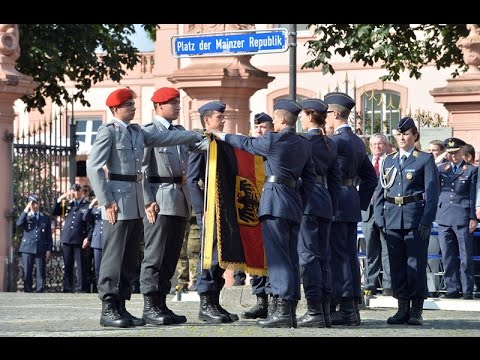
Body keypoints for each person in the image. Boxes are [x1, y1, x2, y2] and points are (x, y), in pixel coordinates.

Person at [86, 88, 203, 328]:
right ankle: (108, 307)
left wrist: (195, 135)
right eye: (128, 104)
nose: (132, 107)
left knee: (129, 257)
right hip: (117, 200)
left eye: (133, 103)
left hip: (135, 199)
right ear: (115, 109)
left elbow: (167, 139)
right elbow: (94, 167)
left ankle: (122, 307)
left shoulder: (137, 132)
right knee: (114, 256)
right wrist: (106, 200)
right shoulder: (108, 132)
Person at [210, 99, 316, 328]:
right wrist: (300, 201)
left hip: (275, 202)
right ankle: (288, 309)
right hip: (293, 204)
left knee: (278, 260)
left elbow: (246, 143)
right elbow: (310, 178)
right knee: (291, 257)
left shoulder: (273, 140)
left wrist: (221, 134)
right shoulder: (304, 143)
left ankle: (283, 310)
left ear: (280, 119)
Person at [139, 87, 207, 325]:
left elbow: (201, 148)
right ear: (158, 106)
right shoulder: (149, 132)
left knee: (171, 256)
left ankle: (161, 303)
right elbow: (142, 170)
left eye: (178, 103)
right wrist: (148, 200)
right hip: (159, 198)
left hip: (180, 198)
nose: (177, 107)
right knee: (155, 255)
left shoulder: (179, 132)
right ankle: (149, 305)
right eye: (172, 103)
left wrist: (219, 139)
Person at [374, 117, 440, 326]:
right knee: (397, 265)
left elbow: (432, 192)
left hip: (415, 218)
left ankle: (416, 310)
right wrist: (379, 218)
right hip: (392, 217)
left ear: (415, 136)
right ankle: (402, 307)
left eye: (407, 134)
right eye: (399, 134)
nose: (402, 137)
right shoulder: (389, 160)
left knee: (415, 263)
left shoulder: (424, 159)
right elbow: (380, 191)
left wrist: (427, 220)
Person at [324, 92, 377, 326]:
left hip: (336, 202)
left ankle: (345, 307)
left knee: (339, 257)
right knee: (348, 255)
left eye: (326, 113)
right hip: (350, 201)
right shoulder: (356, 140)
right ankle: (351, 306)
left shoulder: (336, 141)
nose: (324, 118)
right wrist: (359, 200)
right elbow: (370, 178)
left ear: (335, 114)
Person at [187, 101, 240, 324]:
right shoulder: (201, 143)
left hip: (224, 207)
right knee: (209, 257)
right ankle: (206, 304)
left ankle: (215, 301)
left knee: (221, 256)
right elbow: (191, 180)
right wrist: (201, 210)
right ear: (207, 120)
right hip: (209, 209)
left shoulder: (222, 141)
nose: (223, 119)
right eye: (219, 116)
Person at [296, 99, 341, 328]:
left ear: (309, 115)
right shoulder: (330, 143)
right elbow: (335, 181)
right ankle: (324, 310)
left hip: (307, 201)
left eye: (302, 114)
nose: (300, 118)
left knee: (308, 256)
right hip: (325, 202)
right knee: (324, 257)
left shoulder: (303, 141)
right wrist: (332, 206)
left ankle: (314, 309)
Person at [240, 112, 274, 320]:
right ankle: (260, 298)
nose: (260, 131)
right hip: (253, 208)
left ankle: (275, 298)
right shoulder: (248, 150)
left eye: (264, 127)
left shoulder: (276, 148)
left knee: (275, 256)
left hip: (275, 207)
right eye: (257, 128)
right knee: (255, 252)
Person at [436, 138, 477, 300]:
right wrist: (440, 157)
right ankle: (452, 288)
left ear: (462, 151)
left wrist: (473, 217)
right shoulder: (441, 168)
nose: (453, 156)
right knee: (447, 255)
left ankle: (467, 289)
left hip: (462, 215)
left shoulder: (471, 170)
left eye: (456, 153)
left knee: (466, 255)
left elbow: (474, 195)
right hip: (444, 215)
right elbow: (428, 168)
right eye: (450, 153)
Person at [361, 133, 392, 296]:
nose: (377, 147)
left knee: (387, 249)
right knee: (371, 249)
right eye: (373, 144)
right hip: (368, 210)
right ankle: (371, 282)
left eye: (380, 144)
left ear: (386, 145)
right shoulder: (365, 161)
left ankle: (388, 284)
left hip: (386, 211)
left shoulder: (391, 161)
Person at [52, 183, 90, 293]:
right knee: (68, 264)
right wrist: (61, 198)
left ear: (81, 192)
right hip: (67, 238)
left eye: (77, 190)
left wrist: (88, 237)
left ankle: (81, 288)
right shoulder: (67, 204)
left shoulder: (86, 205)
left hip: (79, 238)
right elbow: (54, 212)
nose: (75, 193)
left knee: (81, 265)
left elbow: (89, 223)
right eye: (73, 190)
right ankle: (67, 288)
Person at [16, 194, 53, 293]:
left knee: (40, 271)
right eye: (33, 203)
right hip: (27, 248)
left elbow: (49, 235)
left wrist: (49, 249)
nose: (36, 205)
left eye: (37, 203)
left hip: (40, 248)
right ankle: (27, 290)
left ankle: (39, 290)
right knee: (27, 271)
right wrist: (26, 209)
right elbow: (18, 223)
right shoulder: (26, 216)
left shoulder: (45, 217)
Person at [426, 139, 448, 296]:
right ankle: (432, 287)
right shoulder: (427, 165)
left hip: (442, 215)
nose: (431, 153)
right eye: (429, 150)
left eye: (434, 150)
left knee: (445, 256)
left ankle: (445, 286)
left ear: (442, 151)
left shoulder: (445, 167)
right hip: (428, 216)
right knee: (430, 256)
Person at [83, 196, 103, 289]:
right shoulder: (95, 210)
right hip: (97, 241)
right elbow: (85, 217)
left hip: (107, 240)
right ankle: (97, 287)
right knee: (97, 267)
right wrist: (91, 204)